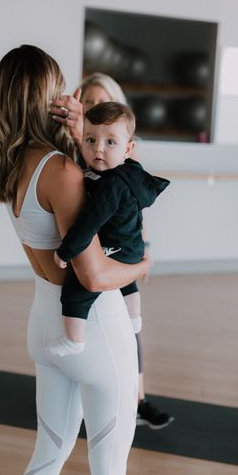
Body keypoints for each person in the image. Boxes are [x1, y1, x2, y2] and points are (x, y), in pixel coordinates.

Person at [0, 46, 148, 475]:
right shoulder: (60, 169)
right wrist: (142, 267)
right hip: (93, 330)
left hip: (44, 327)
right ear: (43, 96)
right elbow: (96, 273)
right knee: (109, 471)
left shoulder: (11, 166)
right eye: (59, 86)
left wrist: (80, 132)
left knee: (48, 454)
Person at [50, 73, 175, 430]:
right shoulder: (80, 151)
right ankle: (95, 403)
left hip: (117, 251)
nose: (91, 107)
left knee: (130, 329)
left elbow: (130, 210)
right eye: (87, 102)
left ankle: (137, 398)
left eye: (99, 101)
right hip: (96, 252)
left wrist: (141, 255)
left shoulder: (117, 156)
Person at [48, 101, 169, 357]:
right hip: (132, 248)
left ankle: (74, 339)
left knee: (77, 286)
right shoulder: (126, 174)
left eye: (110, 142)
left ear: (129, 148)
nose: (98, 149)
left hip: (115, 249)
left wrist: (66, 252)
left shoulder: (112, 186)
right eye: (90, 140)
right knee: (127, 284)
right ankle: (134, 318)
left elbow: (88, 223)